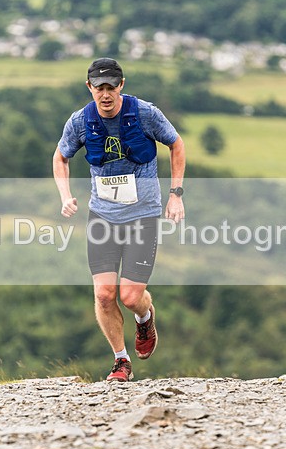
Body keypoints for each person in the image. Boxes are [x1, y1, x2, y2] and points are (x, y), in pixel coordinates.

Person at [53, 57, 186, 382]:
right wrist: (64, 195)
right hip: (103, 216)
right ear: (90, 88)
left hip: (143, 215)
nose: (106, 94)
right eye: (99, 88)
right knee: (103, 294)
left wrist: (176, 195)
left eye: (111, 87)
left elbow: (176, 144)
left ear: (121, 85)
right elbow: (60, 157)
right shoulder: (80, 122)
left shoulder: (145, 114)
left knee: (129, 297)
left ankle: (145, 318)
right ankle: (120, 360)